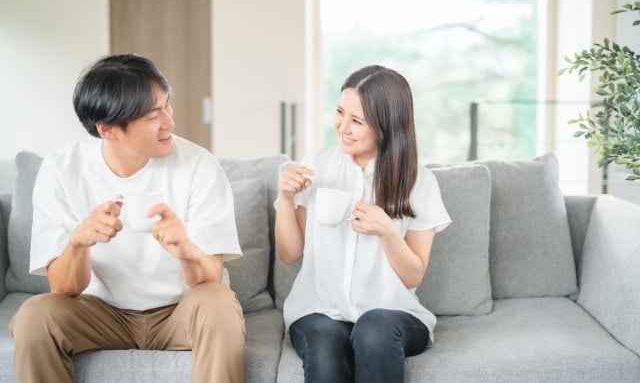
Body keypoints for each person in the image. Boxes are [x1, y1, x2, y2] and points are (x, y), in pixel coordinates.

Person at [9, 53, 245, 383]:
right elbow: (63, 288)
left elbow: (209, 278)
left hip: (181, 310)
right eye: (152, 116)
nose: (169, 122)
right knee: (34, 316)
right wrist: (79, 242)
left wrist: (187, 251)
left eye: (167, 105)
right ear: (108, 130)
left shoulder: (199, 165)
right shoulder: (61, 169)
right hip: (101, 313)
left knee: (219, 303)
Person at [275, 65, 451, 383]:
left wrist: (387, 231)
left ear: (387, 126)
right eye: (341, 112)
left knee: (374, 328)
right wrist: (286, 200)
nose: (343, 127)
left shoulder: (419, 182)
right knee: (325, 339)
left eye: (357, 121)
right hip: (320, 310)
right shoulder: (316, 166)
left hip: (393, 314)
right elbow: (289, 254)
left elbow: (413, 274)